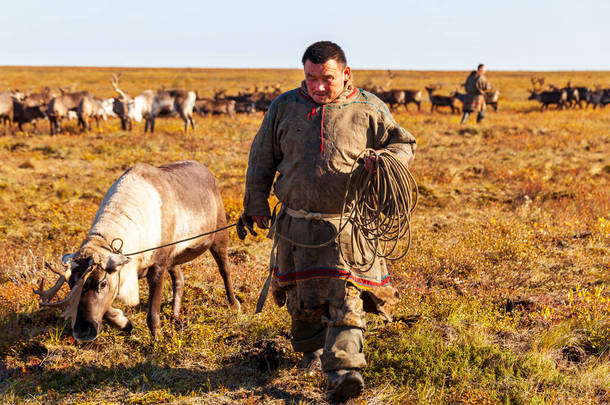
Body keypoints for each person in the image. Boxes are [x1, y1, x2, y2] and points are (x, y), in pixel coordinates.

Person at [238, 41, 416, 402]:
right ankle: (312, 353)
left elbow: (404, 144)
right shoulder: (284, 107)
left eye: (327, 78)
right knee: (302, 301)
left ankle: (344, 372)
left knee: (346, 297)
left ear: (345, 74)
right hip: (297, 225)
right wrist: (255, 203)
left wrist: (384, 159)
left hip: (349, 225)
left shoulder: (369, 108)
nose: (318, 86)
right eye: (311, 77)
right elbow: (261, 159)